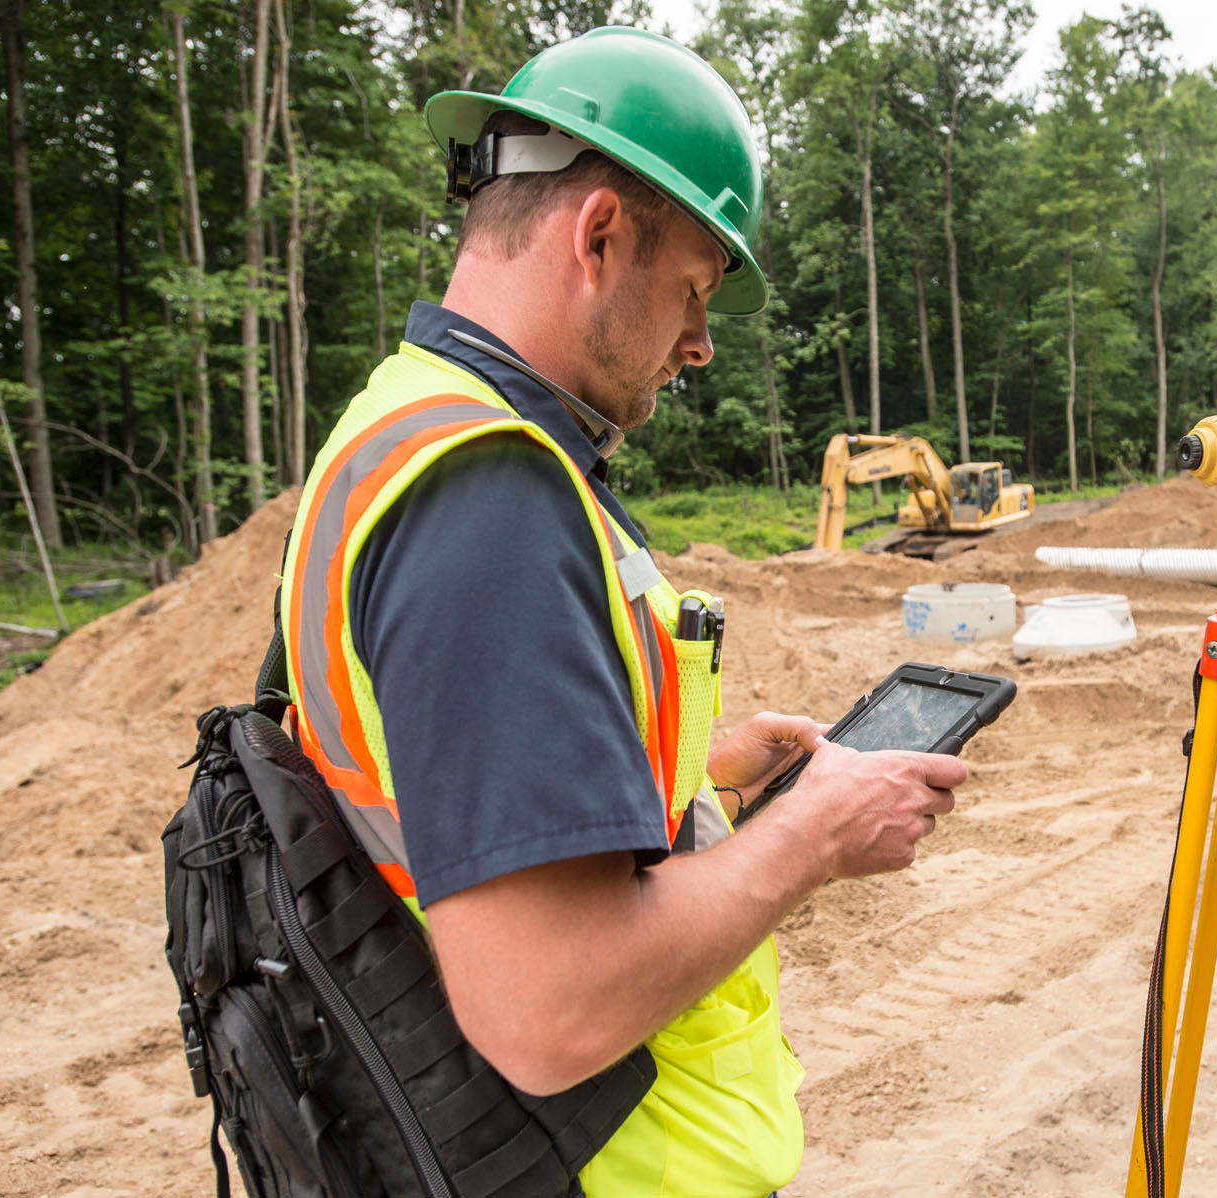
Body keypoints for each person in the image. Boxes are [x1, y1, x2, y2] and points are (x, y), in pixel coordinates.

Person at [277, 26, 967, 1198]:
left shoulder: (405, 420)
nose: (699, 342)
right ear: (599, 235)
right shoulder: (489, 496)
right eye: (693, 289)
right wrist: (808, 837)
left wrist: (691, 785)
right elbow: (550, 1005)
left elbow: (440, 785)